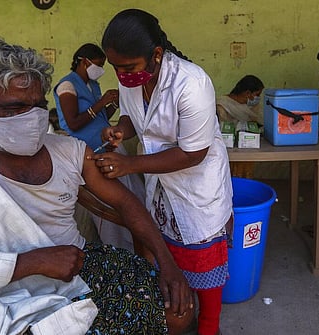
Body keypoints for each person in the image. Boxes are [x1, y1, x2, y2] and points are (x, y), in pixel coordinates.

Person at [0, 39, 194, 335]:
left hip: (79, 270)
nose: (31, 118)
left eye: (37, 105)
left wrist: (168, 264)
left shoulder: (68, 151)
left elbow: (126, 203)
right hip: (3, 290)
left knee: (179, 313)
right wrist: (30, 262)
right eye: (15, 107)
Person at [95, 9, 233, 335]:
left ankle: (209, 326)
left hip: (196, 187)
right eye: (115, 67)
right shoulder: (132, 78)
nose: (121, 74)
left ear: (156, 54)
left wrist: (130, 164)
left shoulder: (192, 83)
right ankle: (179, 314)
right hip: (162, 187)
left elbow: (193, 152)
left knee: (204, 265)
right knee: (167, 255)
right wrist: (119, 131)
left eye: (128, 67)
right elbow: (133, 119)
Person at [53, 43, 145, 252]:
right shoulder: (67, 85)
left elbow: (100, 118)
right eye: (98, 65)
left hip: (107, 146)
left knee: (131, 196)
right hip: (89, 152)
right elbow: (74, 122)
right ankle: (118, 249)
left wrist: (112, 103)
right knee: (108, 206)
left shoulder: (92, 86)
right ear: (84, 62)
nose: (100, 70)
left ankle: (135, 245)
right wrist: (102, 102)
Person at [216, 75, 264, 178]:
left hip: (248, 146)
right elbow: (222, 128)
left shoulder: (252, 106)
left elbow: (259, 123)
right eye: (257, 94)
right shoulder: (222, 104)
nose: (258, 98)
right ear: (247, 93)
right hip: (227, 149)